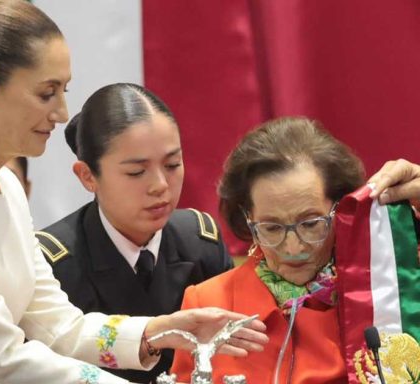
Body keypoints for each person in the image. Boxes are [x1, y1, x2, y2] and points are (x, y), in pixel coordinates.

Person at [0, 1, 268, 383]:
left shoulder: (7, 186)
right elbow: (5, 355)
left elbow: (59, 325)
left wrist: (163, 330)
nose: (63, 112)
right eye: (47, 93)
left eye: (64, 91)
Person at [171, 117, 420, 383]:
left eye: (311, 224)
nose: (293, 247)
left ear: (341, 212)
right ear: (247, 217)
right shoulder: (208, 303)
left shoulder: (390, 291)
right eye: (272, 228)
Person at [35, 83, 233, 383]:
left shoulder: (200, 240)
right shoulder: (50, 261)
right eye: (136, 172)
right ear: (87, 176)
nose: (160, 185)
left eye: (172, 164)